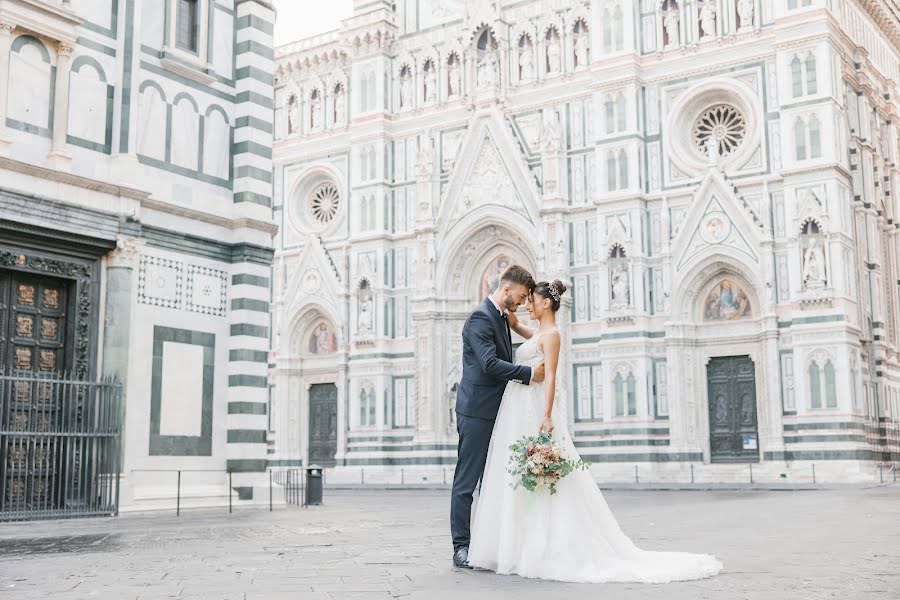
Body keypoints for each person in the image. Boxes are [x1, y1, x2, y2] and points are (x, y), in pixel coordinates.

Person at [467, 279, 723, 582]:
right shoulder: (542, 334)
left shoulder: (553, 336)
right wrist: (515, 324)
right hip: (516, 408)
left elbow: (551, 379)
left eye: (531, 301)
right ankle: (517, 543)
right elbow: (530, 338)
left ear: (545, 303)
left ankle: (537, 545)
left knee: (537, 477)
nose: (527, 305)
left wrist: (547, 415)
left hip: (533, 407)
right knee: (518, 475)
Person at [450, 265, 546, 569]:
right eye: (519, 297)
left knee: (491, 482)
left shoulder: (502, 318)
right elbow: (491, 364)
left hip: (499, 412)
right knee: (467, 481)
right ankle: (461, 546)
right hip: (477, 411)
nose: (520, 303)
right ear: (506, 289)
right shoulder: (481, 317)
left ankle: (485, 543)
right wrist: (529, 374)